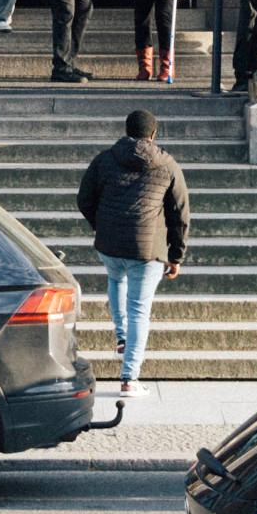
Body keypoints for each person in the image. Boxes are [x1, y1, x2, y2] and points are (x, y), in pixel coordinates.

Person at [75, 103, 190, 401]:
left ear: (127, 131)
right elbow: (180, 213)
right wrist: (176, 256)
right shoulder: (167, 164)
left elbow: (84, 198)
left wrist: (101, 226)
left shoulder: (105, 159)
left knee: (116, 281)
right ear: (153, 134)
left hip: (110, 244)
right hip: (148, 248)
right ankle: (129, 378)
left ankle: (122, 336)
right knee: (140, 308)